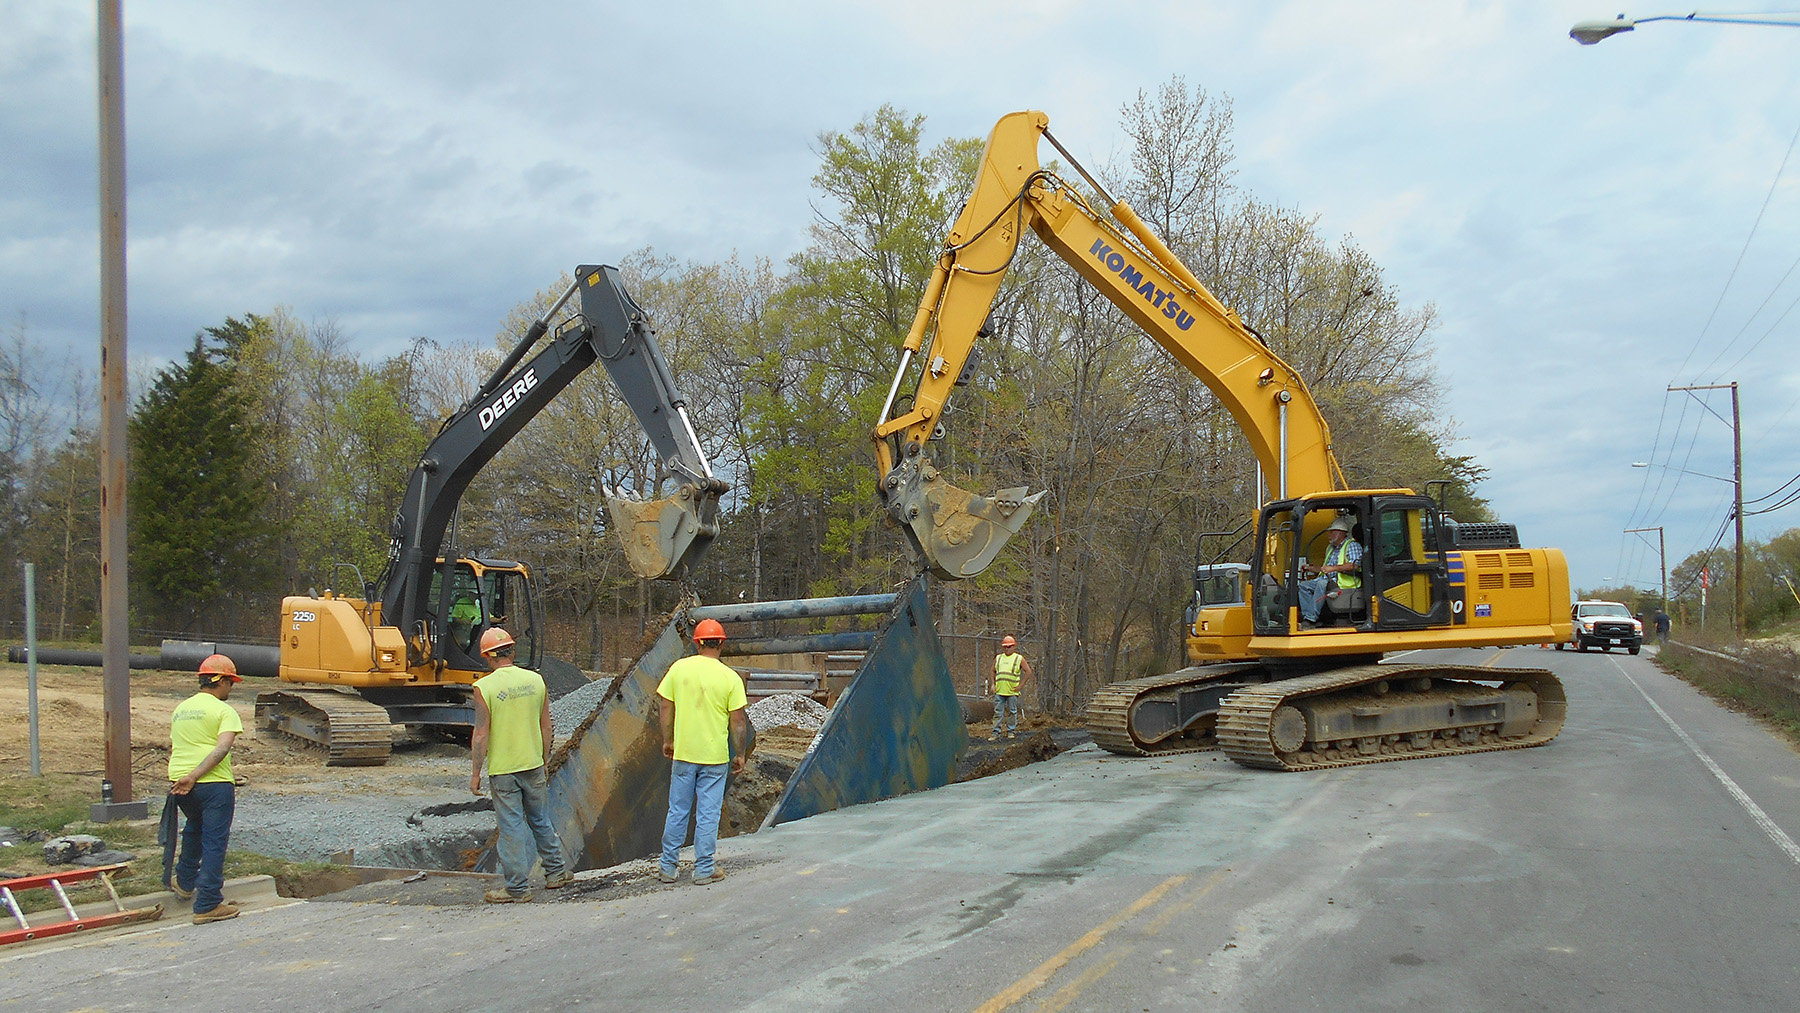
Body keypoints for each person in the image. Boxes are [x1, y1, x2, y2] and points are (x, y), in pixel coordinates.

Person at [471, 626, 570, 903]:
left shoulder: (484, 687)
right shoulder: (536, 681)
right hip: (533, 763)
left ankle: (517, 888)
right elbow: (546, 725)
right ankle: (556, 873)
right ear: (512, 651)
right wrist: (544, 758)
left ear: (487, 657)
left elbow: (481, 733)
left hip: (504, 770)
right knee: (540, 818)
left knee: (512, 826)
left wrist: (475, 773)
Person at [657, 618, 747, 886]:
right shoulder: (730, 677)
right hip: (715, 758)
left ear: (696, 643)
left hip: (684, 754)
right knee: (708, 814)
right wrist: (739, 753)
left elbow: (665, 706)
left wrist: (668, 740)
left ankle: (668, 867)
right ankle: (704, 869)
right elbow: (738, 722)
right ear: (721, 643)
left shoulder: (679, 669)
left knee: (677, 810)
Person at [166, 654, 245, 924]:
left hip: (179, 781)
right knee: (214, 840)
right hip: (212, 784)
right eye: (230, 683)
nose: (230, 689)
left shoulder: (182, 709)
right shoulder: (224, 711)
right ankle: (208, 903)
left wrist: (186, 777)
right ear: (220, 680)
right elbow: (222, 748)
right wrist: (196, 775)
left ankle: (185, 881)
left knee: (194, 828)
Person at [1299, 515, 1362, 626]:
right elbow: (1325, 568)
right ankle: (1309, 616)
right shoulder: (1331, 548)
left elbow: (1354, 566)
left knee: (1321, 583)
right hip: (1326, 579)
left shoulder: (1352, 546)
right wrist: (1310, 568)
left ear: (1341, 533)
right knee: (1303, 586)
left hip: (1344, 583)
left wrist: (1333, 568)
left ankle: (1310, 618)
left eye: (1332, 532)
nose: (1329, 534)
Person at [992, 636, 1031, 739]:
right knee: (998, 713)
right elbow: (992, 671)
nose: (1007, 649)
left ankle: (1011, 731)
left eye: (1009, 647)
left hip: (1012, 691)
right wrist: (993, 684)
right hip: (1000, 690)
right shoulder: (999, 658)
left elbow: (1028, 671)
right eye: (1005, 647)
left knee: (1012, 712)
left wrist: (1021, 686)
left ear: (1014, 646)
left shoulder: (1018, 658)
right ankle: (996, 733)